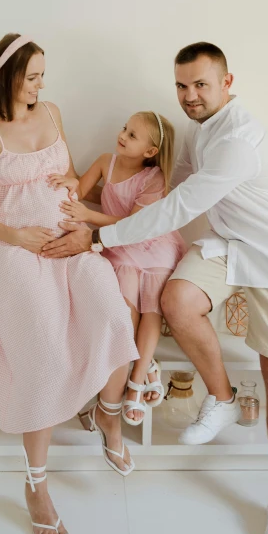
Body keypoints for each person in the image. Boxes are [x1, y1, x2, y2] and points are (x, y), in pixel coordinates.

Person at [41, 41, 268, 534]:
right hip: (232, 247)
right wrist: (93, 201)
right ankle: (222, 395)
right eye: (182, 86)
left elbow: (179, 206)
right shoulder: (200, 129)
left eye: (201, 85)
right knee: (176, 299)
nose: (189, 96)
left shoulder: (238, 139)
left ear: (227, 82)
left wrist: (98, 239)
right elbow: (178, 182)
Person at [0, 33, 138, 534]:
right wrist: (17, 236)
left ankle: (107, 410)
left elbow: (71, 178)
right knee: (43, 352)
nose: (39, 85)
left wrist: (82, 214)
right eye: (32, 76)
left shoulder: (52, 112)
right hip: (15, 249)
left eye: (41, 75)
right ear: (7, 77)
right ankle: (36, 482)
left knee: (115, 317)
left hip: (70, 239)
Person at [48, 111, 186, 425]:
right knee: (126, 311)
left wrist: (90, 216)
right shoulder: (104, 161)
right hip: (119, 250)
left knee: (152, 309)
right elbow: (78, 193)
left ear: (150, 152)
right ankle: (146, 363)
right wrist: (70, 182)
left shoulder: (154, 179)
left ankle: (137, 381)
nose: (123, 135)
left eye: (133, 135)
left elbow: (134, 226)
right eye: (125, 128)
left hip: (150, 245)